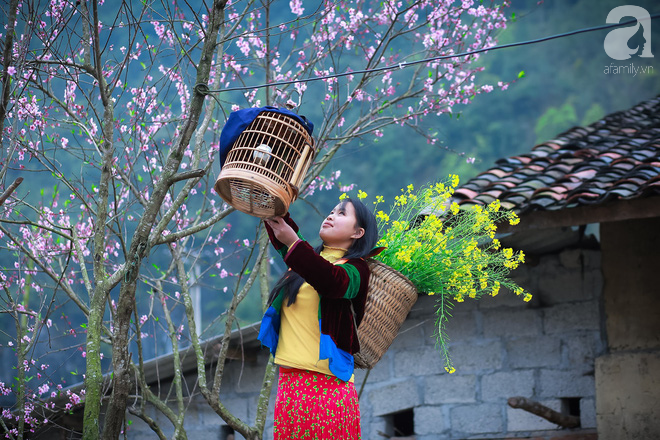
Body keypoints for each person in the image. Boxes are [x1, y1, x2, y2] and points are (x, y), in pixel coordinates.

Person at [258, 197, 379, 439]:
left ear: (358, 232)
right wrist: (270, 200)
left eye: (342, 213)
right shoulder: (307, 258)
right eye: (331, 210)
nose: (331, 215)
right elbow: (284, 233)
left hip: (327, 388)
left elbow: (332, 281)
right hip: (290, 386)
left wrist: (293, 241)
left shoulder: (356, 270)